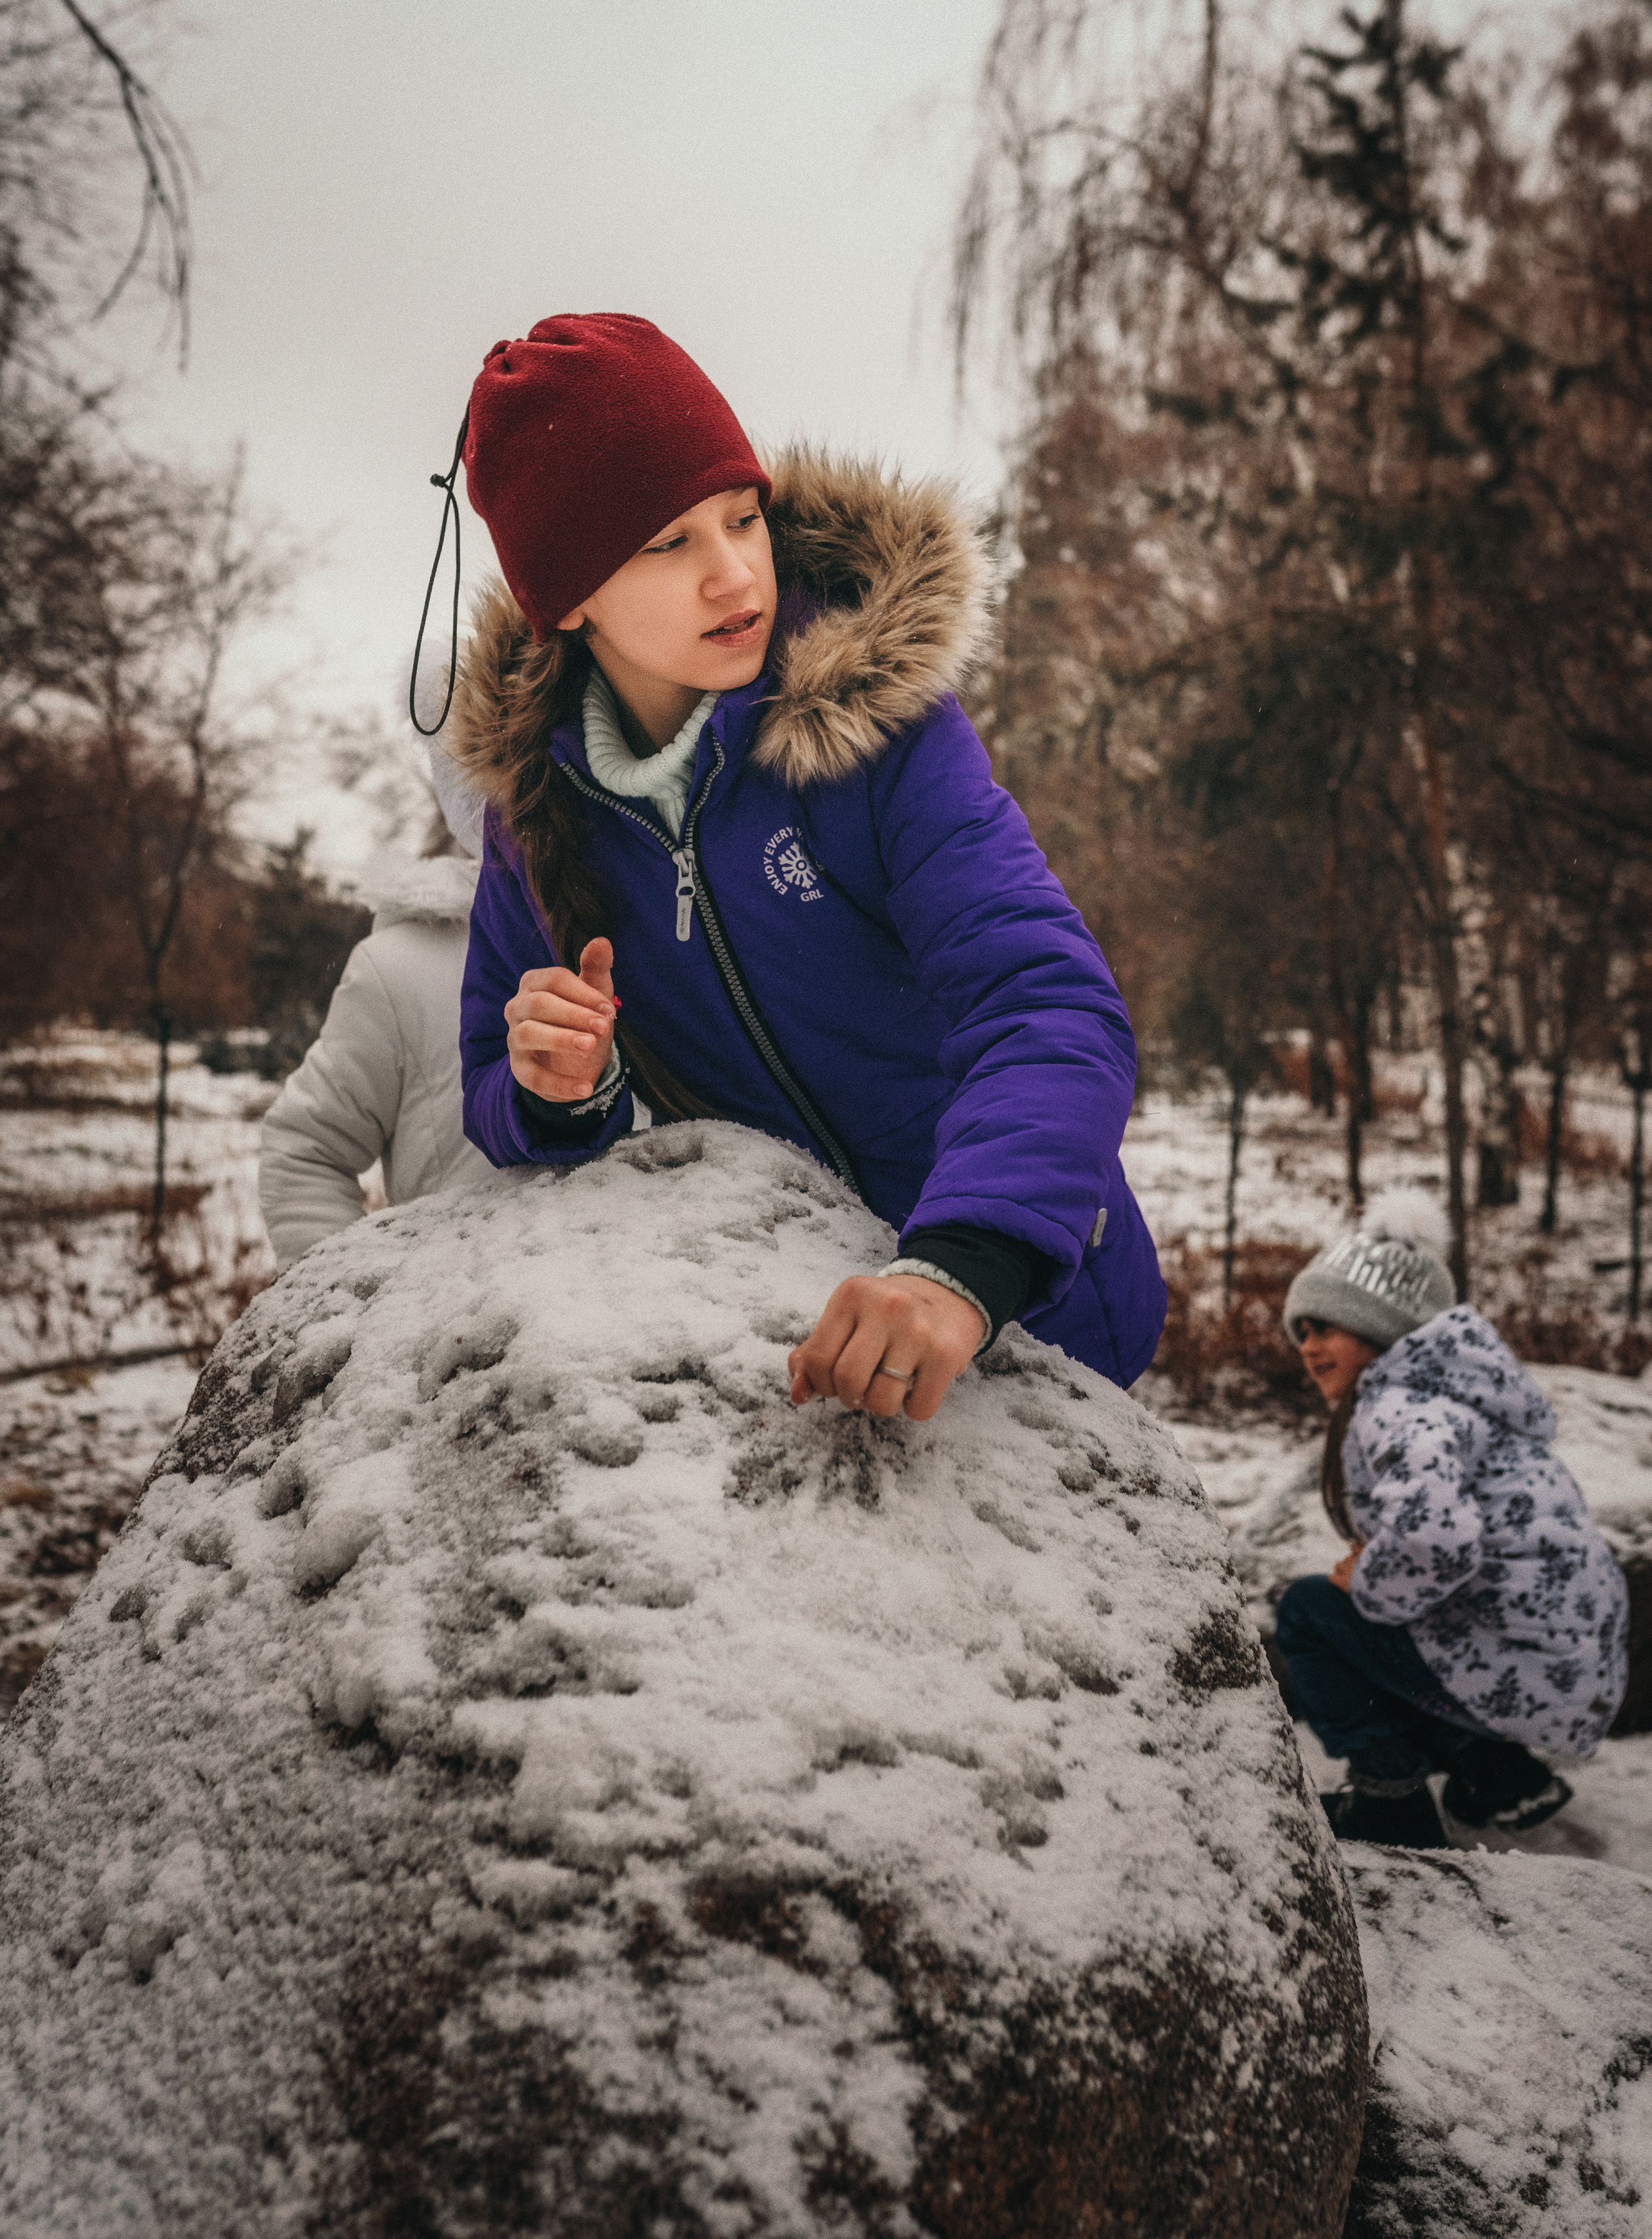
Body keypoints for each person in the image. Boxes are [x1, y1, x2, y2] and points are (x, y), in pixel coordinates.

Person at [445, 313, 1165, 1420]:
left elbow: (1047, 1000)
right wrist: (558, 1086)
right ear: (566, 598)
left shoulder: (874, 727)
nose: (737, 574)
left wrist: (956, 1268)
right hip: (802, 1339)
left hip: (1027, 1299)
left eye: (743, 518)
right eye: (667, 544)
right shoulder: (539, 813)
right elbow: (491, 1081)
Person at [1275, 1189, 1629, 1850]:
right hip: (1559, 1667)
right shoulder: (1455, 1397)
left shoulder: (1400, 1406)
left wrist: (1366, 1583)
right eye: (1300, 1331)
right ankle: (1493, 1769)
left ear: (1380, 1328)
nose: (1307, 1346)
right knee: (1382, 1617)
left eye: (1324, 1326)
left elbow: (1434, 1539)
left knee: (1310, 1613)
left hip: (1520, 1669)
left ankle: (1391, 1801)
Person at [258, 745, 508, 1270]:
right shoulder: (402, 967)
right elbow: (307, 1151)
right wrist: (345, 1313)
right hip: (457, 1336)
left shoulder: (686, 953)